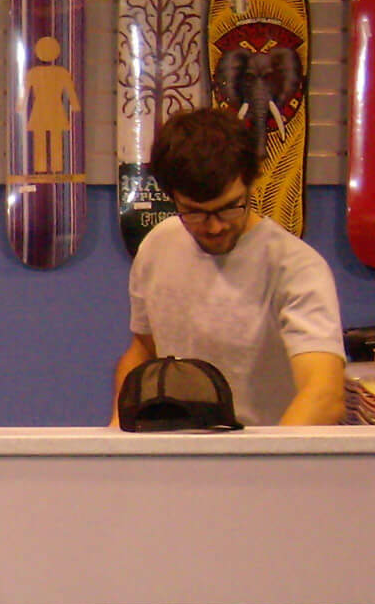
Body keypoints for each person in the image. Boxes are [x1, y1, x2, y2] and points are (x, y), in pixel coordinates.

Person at [114, 107, 344, 426]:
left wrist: (266, 467)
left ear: (250, 185)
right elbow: (142, 349)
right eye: (194, 212)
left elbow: (323, 394)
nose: (215, 227)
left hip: (263, 461)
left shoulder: (296, 268)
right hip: (175, 457)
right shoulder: (156, 246)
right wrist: (118, 431)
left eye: (228, 208)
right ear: (171, 198)